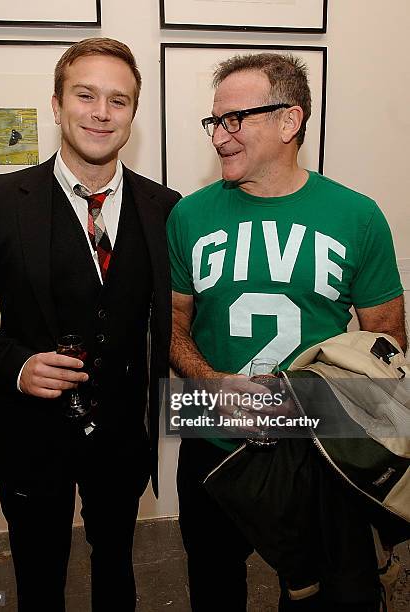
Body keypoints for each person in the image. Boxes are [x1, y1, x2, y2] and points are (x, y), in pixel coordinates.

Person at [0, 38, 180, 611]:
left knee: (116, 574)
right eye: (86, 95)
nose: (102, 112)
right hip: (32, 435)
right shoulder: (0, 198)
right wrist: (16, 364)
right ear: (56, 105)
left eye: (118, 100)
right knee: (39, 579)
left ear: (132, 114)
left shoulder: (165, 207)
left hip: (122, 438)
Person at [166, 53, 406, 611]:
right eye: (214, 121)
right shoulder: (188, 215)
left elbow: (388, 348)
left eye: (234, 120)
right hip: (210, 431)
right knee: (212, 588)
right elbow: (173, 325)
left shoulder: (358, 215)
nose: (219, 136)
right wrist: (211, 384)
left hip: (318, 447)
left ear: (288, 121)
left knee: (320, 597)